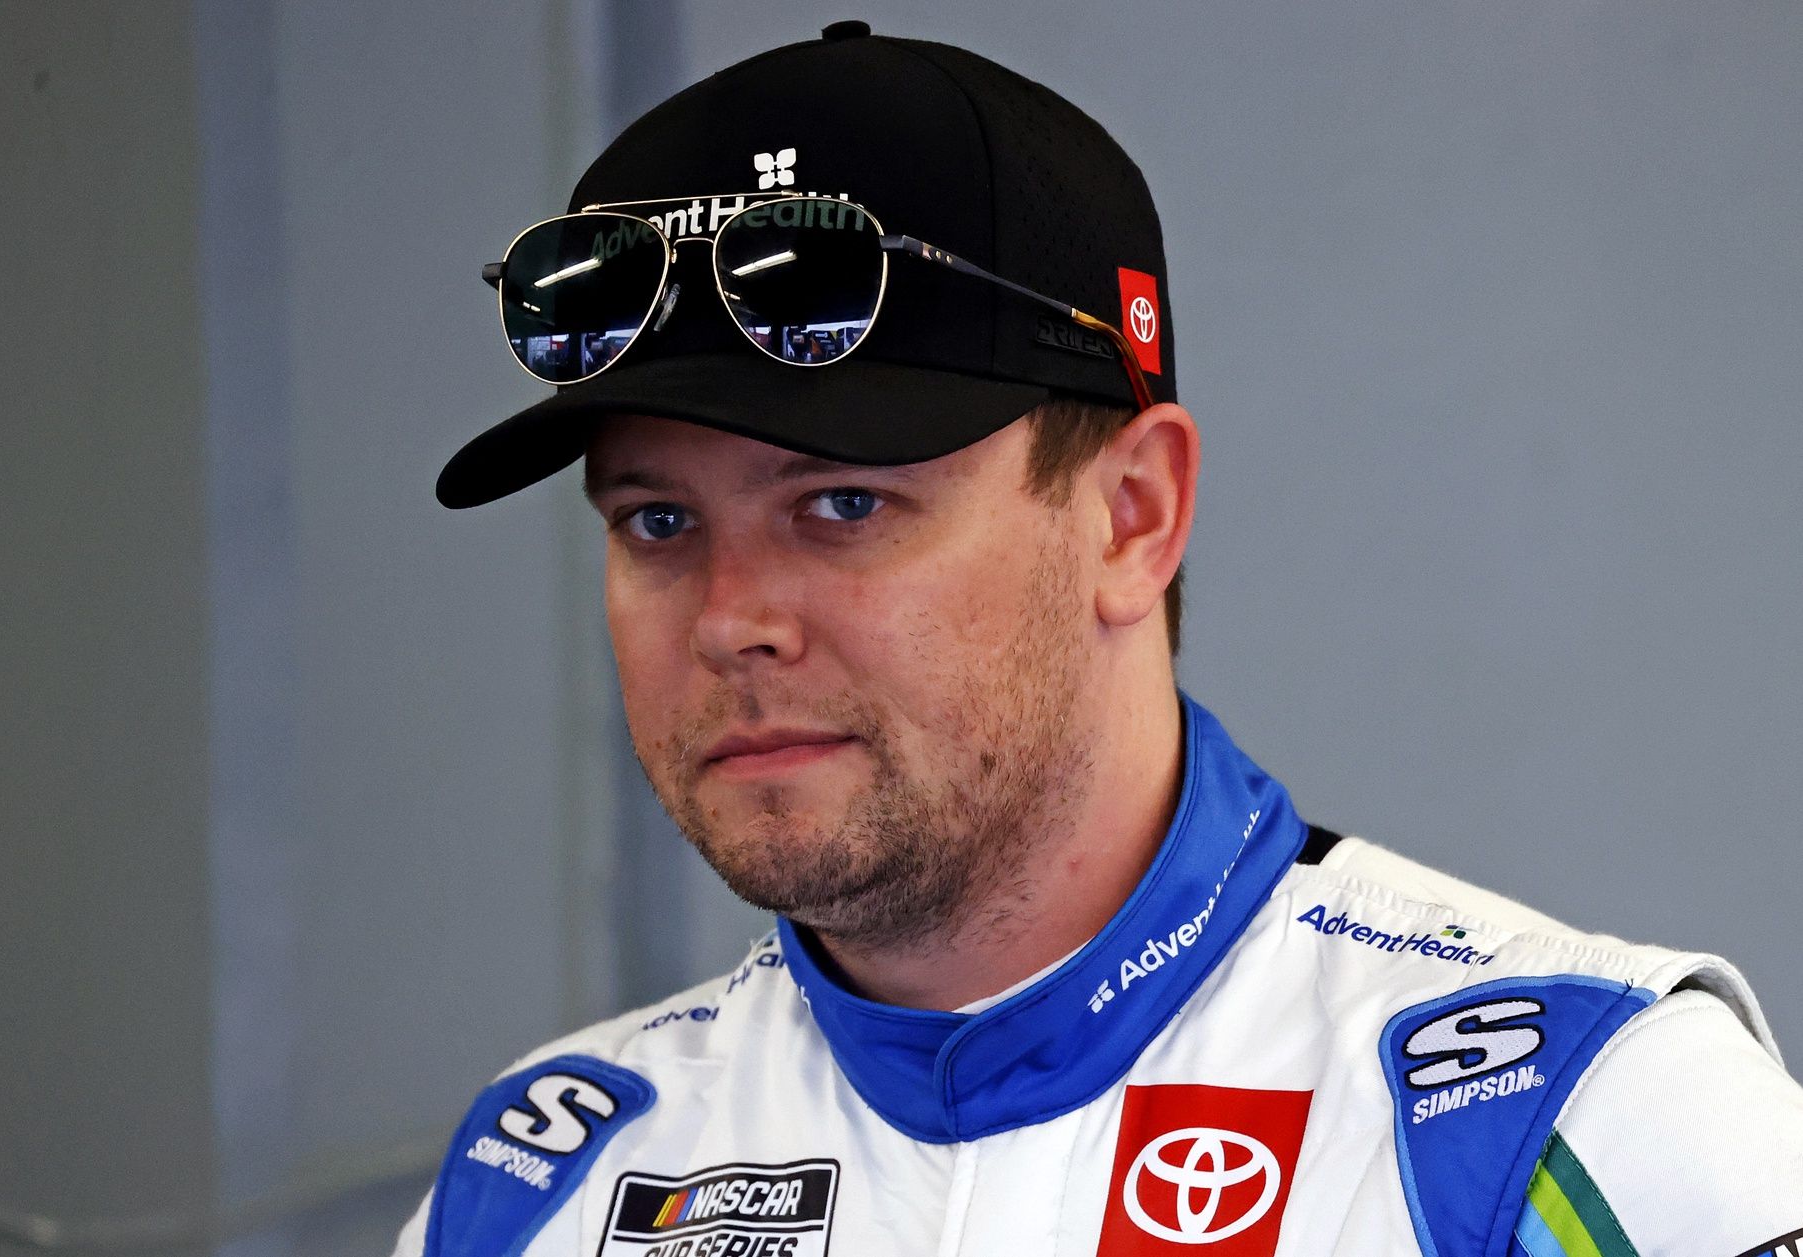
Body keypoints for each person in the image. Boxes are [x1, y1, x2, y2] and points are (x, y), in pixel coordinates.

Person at [401, 22, 1803, 1257]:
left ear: (1132, 515)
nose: (731, 620)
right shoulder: (544, 1184)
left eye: (840, 503)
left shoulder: (1563, 1124)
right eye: (655, 523)